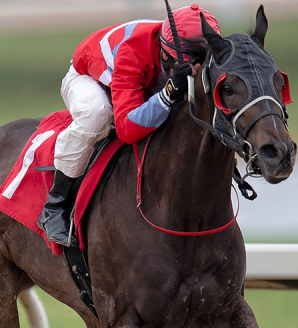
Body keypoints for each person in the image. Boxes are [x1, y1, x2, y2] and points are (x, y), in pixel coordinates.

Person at [37, 4, 222, 246]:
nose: (192, 73)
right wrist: (167, 94)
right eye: (185, 67)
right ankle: (55, 205)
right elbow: (126, 128)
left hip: (137, 82)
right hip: (88, 79)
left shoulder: (181, 45)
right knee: (98, 113)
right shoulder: (131, 53)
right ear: (165, 53)